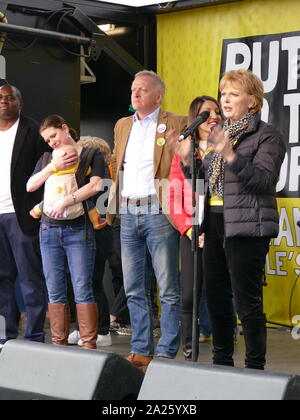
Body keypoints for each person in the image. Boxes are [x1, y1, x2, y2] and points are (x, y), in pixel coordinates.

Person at [178, 69, 286, 370]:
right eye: (223, 93)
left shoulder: (267, 136)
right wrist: (188, 164)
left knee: (246, 303)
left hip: (247, 226)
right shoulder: (221, 136)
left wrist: (230, 155)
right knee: (216, 299)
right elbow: (205, 185)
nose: (225, 99)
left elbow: (263, 181)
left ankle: (255, 368)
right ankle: (221, 364)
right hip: (213, 222)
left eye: (233, 94)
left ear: (252, 101)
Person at [107, 70, 187, 371]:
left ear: (158, 95)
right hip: (128, 210)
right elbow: (118, 163)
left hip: (159, 209)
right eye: (133, 89)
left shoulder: (176, 122)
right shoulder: (122, 124)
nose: (135, 94)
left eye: (142, 89)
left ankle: (166, 350)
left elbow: (187, 162)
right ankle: (141, 348)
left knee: (167, 286)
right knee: (132, 287)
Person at [27, 115, 105, 349]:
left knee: (82, 286)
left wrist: (66, 201)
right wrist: (53, 166)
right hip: (49, 229)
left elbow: (97, 185)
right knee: (55, 288)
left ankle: (88, 342)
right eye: (47, 140)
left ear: (64, 128)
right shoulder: (46, 158)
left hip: (78, 228)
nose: (52, 142)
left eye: (54, 135)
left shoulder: (91, 153)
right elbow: (30, 185)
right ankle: (59, 344)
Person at [169, 96, 222, 360]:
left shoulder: (228, 146)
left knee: (220, 294)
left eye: (217, 111)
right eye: (206, 112)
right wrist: (190, 230)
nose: (214, 116)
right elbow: (173, 197)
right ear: (195, 118)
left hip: (221, 227)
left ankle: (224, 353)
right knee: (189, 295)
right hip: (192, 231)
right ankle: (189, 354)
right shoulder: (184, 150)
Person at [0, 83, 49, 350]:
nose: (5, 101)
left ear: (20, 103)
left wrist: (40, 206)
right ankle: (4, 337)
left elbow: (50, 170)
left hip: (22, 215)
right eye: (1, 97)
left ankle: (34, 338)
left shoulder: (33, 131)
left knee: (30, 279)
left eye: (11, 98)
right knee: (2, 280)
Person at [67, 136, 113, 347]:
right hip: (81, 231)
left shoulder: (103, 180)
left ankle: (102, 330)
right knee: (81, 283)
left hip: (98, 233)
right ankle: (82, 327)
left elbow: (101, 209)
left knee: (93, 281)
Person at [29, 144, 102, 229]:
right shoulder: (53, 169)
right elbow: (29, 187)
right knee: (88, 205)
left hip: (71, 210)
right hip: (56, 212)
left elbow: (94, 182)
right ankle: (96, 222)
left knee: (87, 204)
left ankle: (36, 211)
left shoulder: (55, 170)